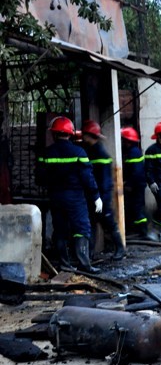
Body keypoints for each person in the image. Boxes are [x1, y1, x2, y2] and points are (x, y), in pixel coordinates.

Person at [38, 117, 102, 273]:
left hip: (55, 197)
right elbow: (88, 178)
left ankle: (65, 265)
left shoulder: (46, 153)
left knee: (60, 230)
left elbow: (40, 177)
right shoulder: (79, 152)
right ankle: (84, 265)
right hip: (75, 198)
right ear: (70, 133)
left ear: (53, 134)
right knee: (81, 228)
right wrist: (96, 197)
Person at [81, 120, 125, 260]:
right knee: (91, 225)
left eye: (85, 135)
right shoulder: (91, 152)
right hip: (93, 196)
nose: (83, 137)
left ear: (90, 135)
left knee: (109, 223)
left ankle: (120, 249)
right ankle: (90, 253)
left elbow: (105, 181)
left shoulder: (101, 154)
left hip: (101, 197)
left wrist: (103, 200)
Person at [121, 126, 148, 238]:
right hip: (139, 184)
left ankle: (142, 232)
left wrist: (129, 184)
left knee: (137, 208)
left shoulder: (133, 153)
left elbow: (136, 172)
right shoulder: (135, 151)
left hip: (136, 186)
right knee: (137, 207)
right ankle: (140, 231)